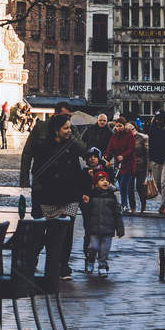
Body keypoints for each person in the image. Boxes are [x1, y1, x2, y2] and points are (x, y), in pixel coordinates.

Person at [27, 113, 91, 277]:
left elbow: (84, 151)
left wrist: (73, 138)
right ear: (56, 130)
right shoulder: (44, 146)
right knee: (48, 232)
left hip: (70, 196)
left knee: (66, 232)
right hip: (50, 195)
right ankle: (40, 261)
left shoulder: (72, 144)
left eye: (70, 127)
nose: (69, 130)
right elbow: (37, 171)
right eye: (66, 128)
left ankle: (62, 265)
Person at [82, 169, 125, 275]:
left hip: (108, 229)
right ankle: (91, 260)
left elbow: (117, 214)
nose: (105, 182)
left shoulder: (112, 197)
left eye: (106, 180)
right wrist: (86, 203)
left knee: (104, 250)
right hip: (94, 229)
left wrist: (120, 229)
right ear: (96, 183)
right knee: (93, 247)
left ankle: (102, 265)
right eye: (101, 180)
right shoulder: (91, 196)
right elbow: (86, 212)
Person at [105, 117, 139, 212]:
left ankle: (125, 205)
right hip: (118, 164)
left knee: (124, 184)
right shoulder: (114, 136)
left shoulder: (129, 135)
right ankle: (124, 204)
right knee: (120, 184)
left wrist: (123, 156)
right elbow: (110, 147)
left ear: (124, 126)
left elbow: (131, 148)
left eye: (120, 126)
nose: (118, 128)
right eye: (116, 126)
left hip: (128, 164)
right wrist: (106, 156)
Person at [147, 112, 165, 211]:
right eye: (157, 119)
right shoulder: (152, 128)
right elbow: (150, 144)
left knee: (164, 182)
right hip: (155, 158)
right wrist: (150, 161)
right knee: (158, 183)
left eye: (161, 119)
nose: (158, 121)